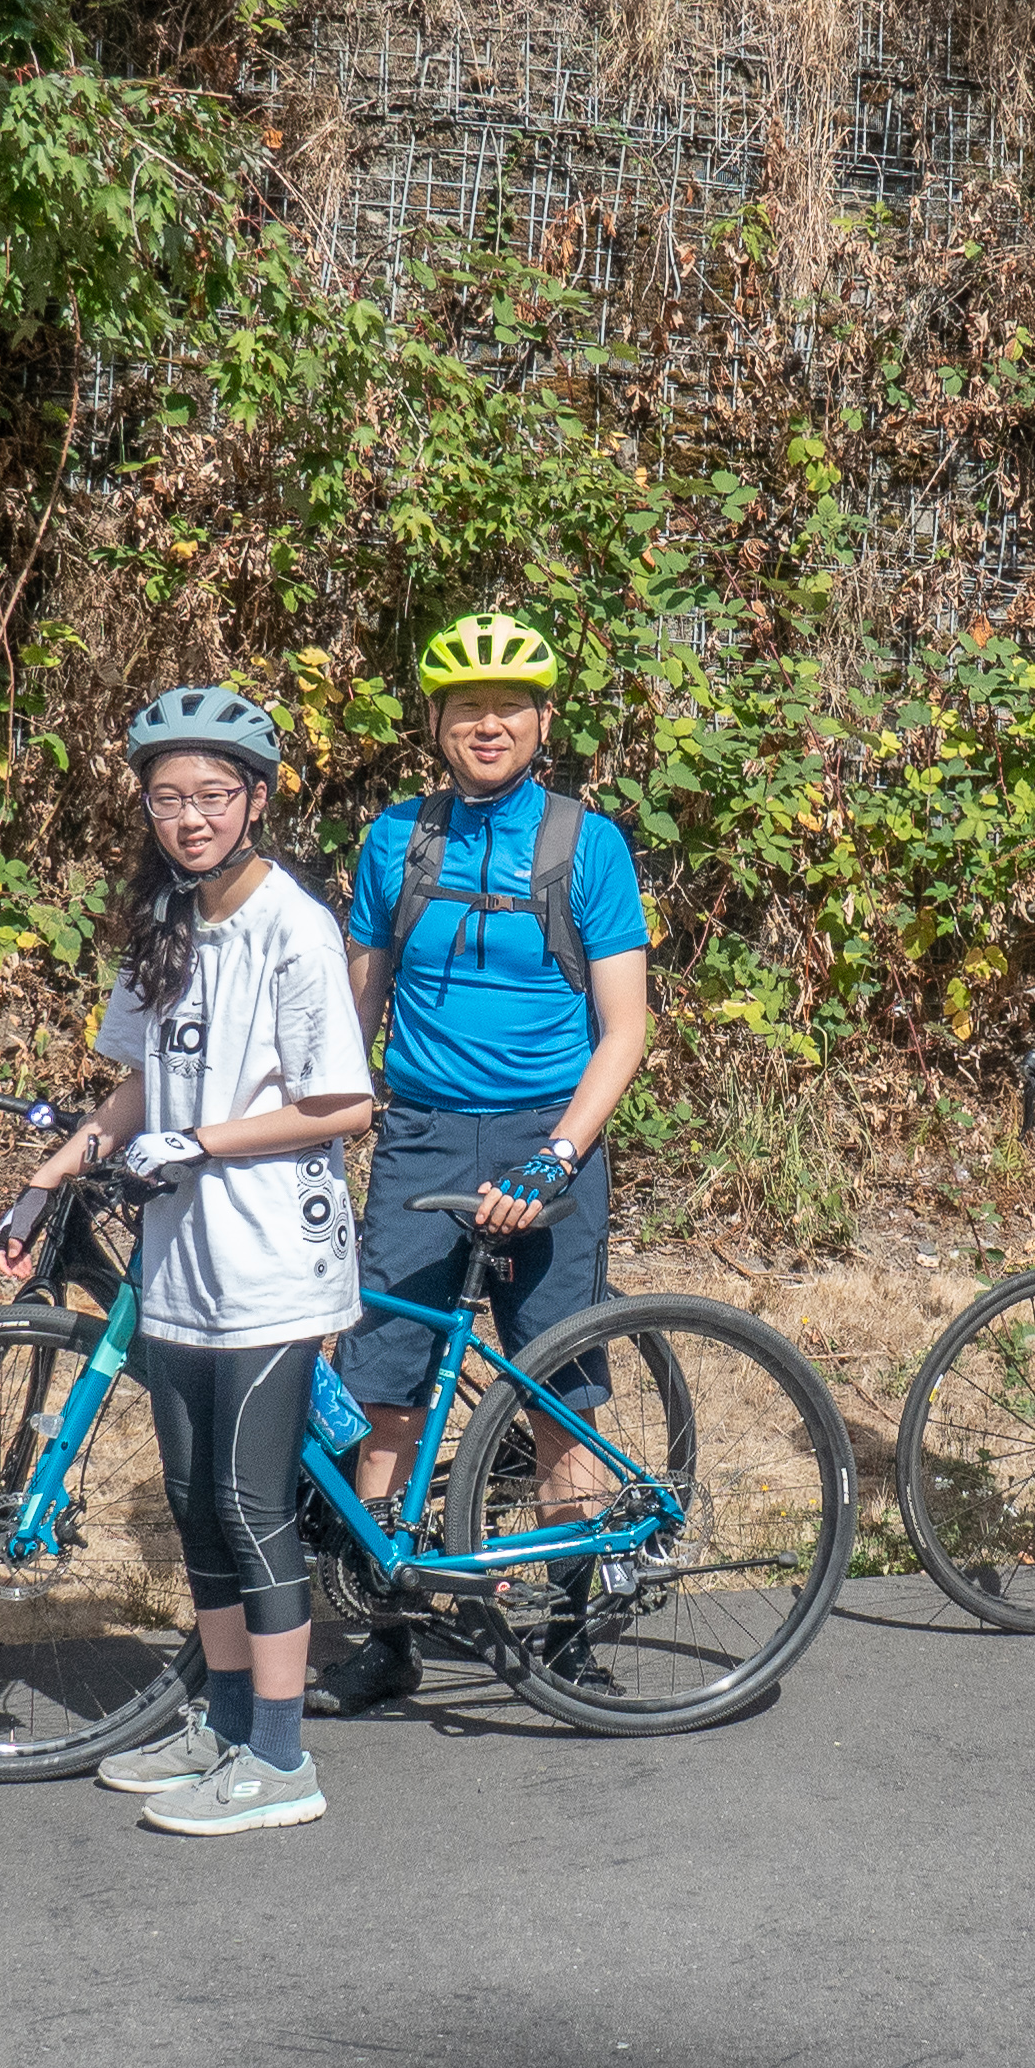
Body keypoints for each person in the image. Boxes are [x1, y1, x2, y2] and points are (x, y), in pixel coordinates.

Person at [0, 685, 371, 1836]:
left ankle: (282, 1757)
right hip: (184, 1263)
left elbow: (343, 1103)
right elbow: (141, 1082)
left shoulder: (293, 927)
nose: (191, 817)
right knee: (194, 1505)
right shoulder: (167, 915)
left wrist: (200, 1142)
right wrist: (52, 1176)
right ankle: (216, 1721)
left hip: (271, 1262)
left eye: (213, 795)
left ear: (255, 800)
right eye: (169, 798)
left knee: (253, 1507)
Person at [309, 609, 656, 1718]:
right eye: (466, 709)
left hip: (545, 1135)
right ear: (437, 725)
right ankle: (392, 1631)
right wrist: (317, 1134)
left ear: (542, 722)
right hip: (418, 1136)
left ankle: (568, 1630)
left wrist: (559, 1156)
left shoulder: (584, 845)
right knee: (386, 1398)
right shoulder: (393, 841)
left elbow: (626, 1030)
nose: (487, 724)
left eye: (508, 707)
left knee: (557, 1395)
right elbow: (352, 1016)